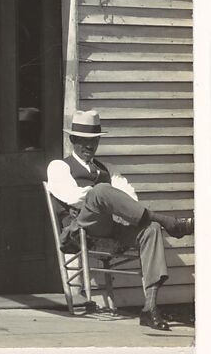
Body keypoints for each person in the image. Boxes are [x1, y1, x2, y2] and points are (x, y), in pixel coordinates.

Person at [47, 109, 194, 331]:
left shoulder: (108, 169)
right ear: (72, 139)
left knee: (151, 229)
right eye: (84, 141)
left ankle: (150, 308)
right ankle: (168, 222)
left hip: (109, 228)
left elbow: (130, 197)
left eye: (94, 141)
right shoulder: (59, 166)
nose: (89, 147)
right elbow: (72, 196)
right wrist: (104, 196)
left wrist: (114, 202)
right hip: (79, 229)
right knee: (101, 191)